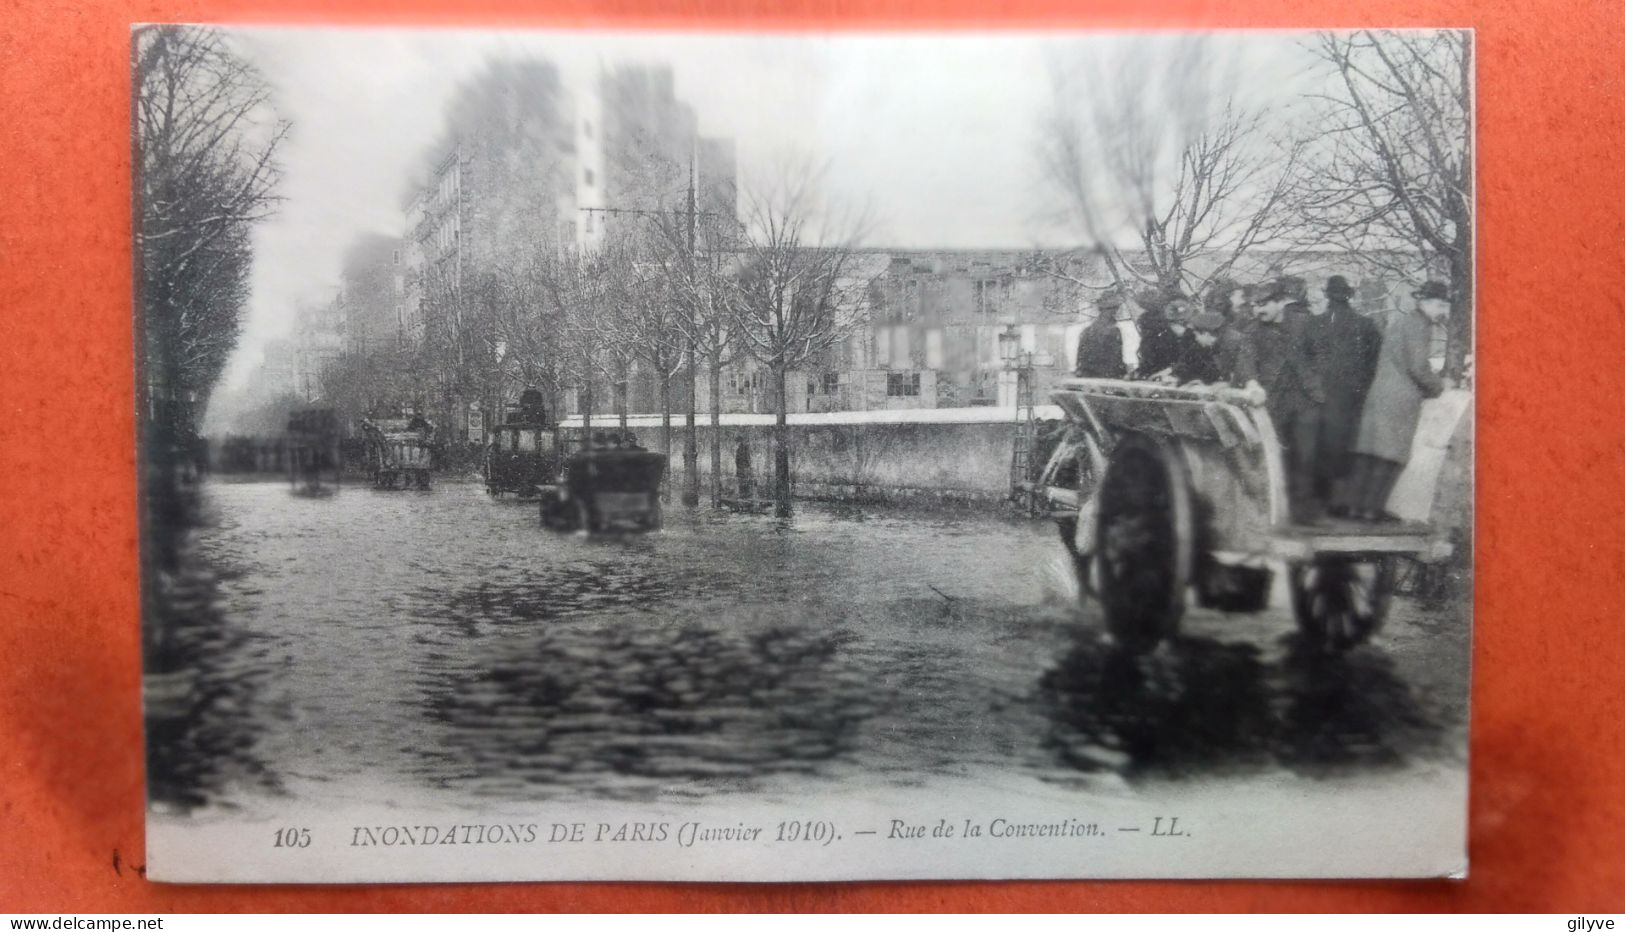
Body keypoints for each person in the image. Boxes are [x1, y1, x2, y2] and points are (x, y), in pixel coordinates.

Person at [1345, 281, 1453, 522]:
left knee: (1373, 453)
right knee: (1392, 455)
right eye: (1439, 305)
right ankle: (1372, 509)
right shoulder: (1420, 326)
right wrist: (1440, 387)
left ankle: (1357, 507)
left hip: (1381, 394)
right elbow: (1418, 367)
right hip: (1400, 399)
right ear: (1423, 303)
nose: (1442, 311)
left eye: (1444, 305)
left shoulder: (1402, 321)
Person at [1247, 279, 1327, 521]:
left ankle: (1304, 513)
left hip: (1305, 399)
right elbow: (1246, 359)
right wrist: (1251, 381)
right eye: (1255, 305)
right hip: (1273, 401)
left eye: (1264, 304)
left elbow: (1323, 355)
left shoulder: (1306, 323)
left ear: (1281, 302)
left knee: (1307, 454)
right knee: (1273, 456)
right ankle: (1274, 513)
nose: (1258, 310)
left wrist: (1318, 384)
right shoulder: (1254, 330)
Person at [1309, 275, 1383, 513]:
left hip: (1320, 394)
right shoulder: (1365, 325)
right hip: (1354, 394)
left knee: (1321, 442)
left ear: (1327, 295)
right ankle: (1341, 502)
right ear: (1349, 295)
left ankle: (1320, 500)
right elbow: (1375, 362)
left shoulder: (1315, 324)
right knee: (1348, 443)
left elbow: (1303, 359)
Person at [1175, 312, 1261, 393]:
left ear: (1206, 334)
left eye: (1197, 335)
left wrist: (1227, 384)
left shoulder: (1238, 343)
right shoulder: (1216, 342)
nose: (1196, 339)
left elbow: (1246, 375)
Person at [1074, 291, 1127, 378]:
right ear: (1102, 310)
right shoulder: (1089, 332)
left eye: (1115, 308)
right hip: (1100, 376)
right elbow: (1082, 360)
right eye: (1110, 309)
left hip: (1098, 376)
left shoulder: (1088, 331)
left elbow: (1118, 359)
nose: (1114, 312)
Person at [1134, 290, 1182, 379]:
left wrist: (1167, 372)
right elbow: (1148, 362)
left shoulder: (1171, 337)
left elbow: (1182, 362)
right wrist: (1138, 372)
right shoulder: (1148, 339)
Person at [734, 434, 754, 500]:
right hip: (742, 468)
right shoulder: (742, 448)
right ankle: (744, 496)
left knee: (744, 482)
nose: (737, 443)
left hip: (743, 468)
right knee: (743, 482)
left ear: (740, 441)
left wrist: (746, 467)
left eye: (737, 441)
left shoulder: (743, 449)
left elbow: (745, 459)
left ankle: (744, 496)